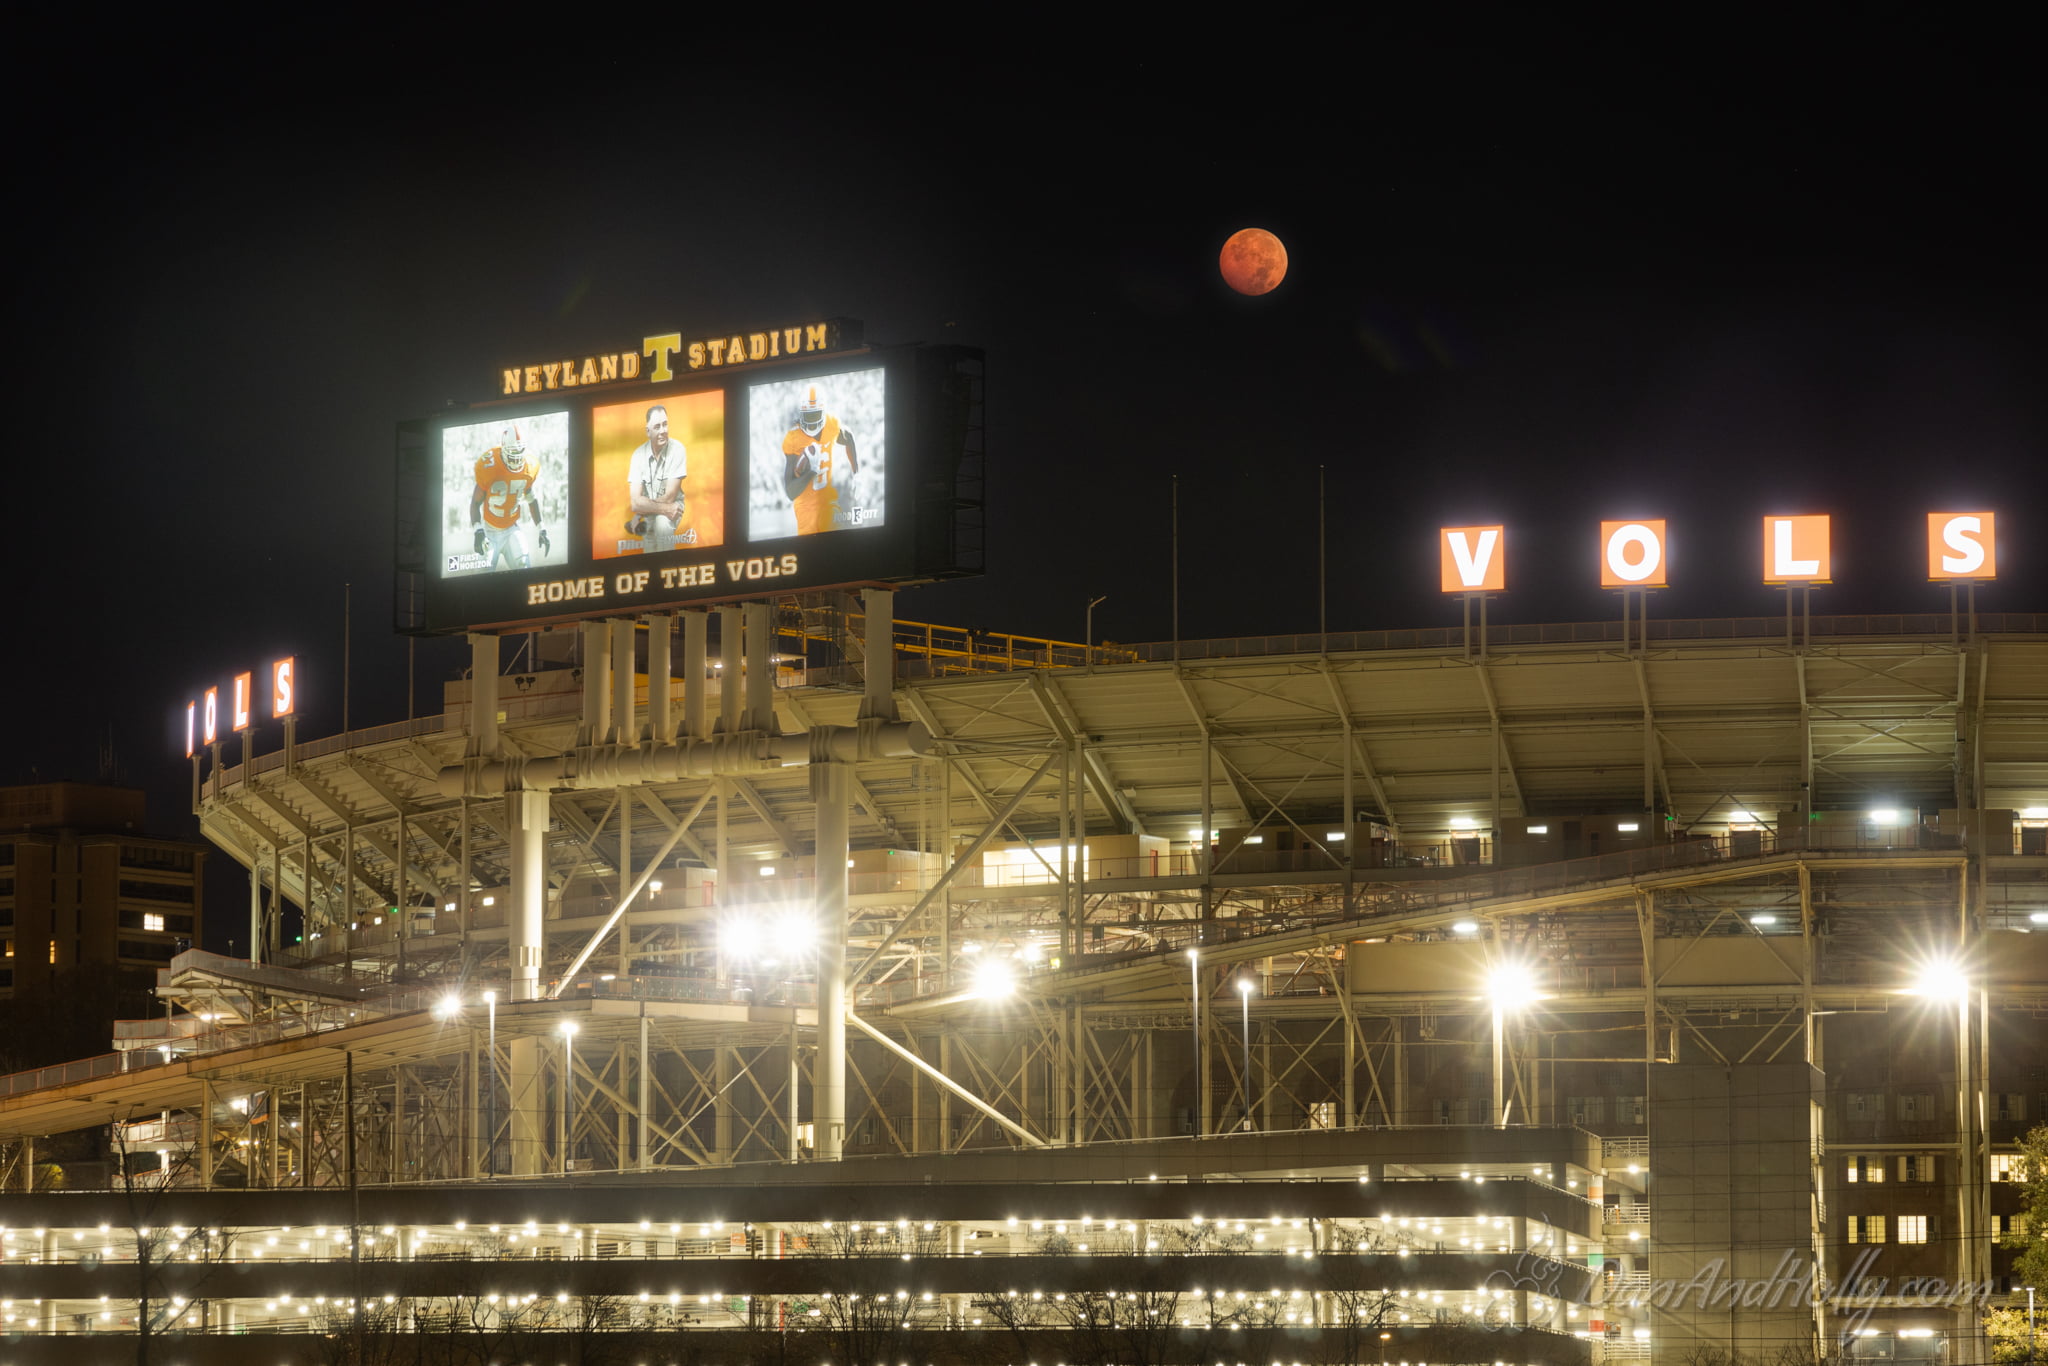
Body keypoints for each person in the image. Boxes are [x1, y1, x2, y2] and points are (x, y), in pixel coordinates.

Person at [780, 383, 859, 534]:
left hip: (828, 502)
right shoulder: (793, 438)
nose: (810, 421)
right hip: (805, 509)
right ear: (801, 413)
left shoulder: (831, 425)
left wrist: (856, 473)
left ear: (823, 412)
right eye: (808, 415)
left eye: (815, 415)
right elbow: (790, 492)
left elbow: (848, 438)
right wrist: (812, 471)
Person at [469, 424, 551, 569]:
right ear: (503, 449)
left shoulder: (529, 466)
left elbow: (531, 499)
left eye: (519, 453)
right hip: (489, 531)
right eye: (513, 454)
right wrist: (478, 531)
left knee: (524, 567)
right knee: (482, 576)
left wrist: (542, 528)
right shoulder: (489, 465)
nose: (517, 460)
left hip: (511, 530)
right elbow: (475, 503)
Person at [625, 404, 693, 550]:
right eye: (657, 427)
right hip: (650, 510)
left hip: (673, 507)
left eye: (665, 424)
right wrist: (642, 509)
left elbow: (669, 497)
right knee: (649, 537)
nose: (663, 431)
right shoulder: (637, 455)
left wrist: (639, 513)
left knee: (661, 523)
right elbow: (635, 502)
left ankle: (668, 567)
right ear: (648, 431)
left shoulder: (678, 449)